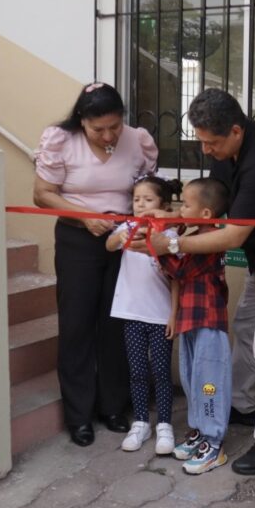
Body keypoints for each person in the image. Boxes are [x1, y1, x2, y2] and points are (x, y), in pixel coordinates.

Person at [145, 89, 255, 476]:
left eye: (211, 143)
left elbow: (231, 236)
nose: (206, 151)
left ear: (235, 130)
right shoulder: (224, 153)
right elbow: (210, 211)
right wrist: (168, 220)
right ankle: (244, 406)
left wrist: (173, 243)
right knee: (246, 329)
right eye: (201, 141)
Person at [33, 82, 159, 447]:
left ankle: (113, 406)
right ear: (81, 121)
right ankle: (79, 415)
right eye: (97, 129)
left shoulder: (138, 140)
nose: (107, 135)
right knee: (77, 324)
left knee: (117, 323)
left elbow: (147, 190)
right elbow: (42, 194)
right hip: (77, 240)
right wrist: (85, 216)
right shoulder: (61, 140)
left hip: (123, 241)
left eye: (114, 126)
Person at [157, 178, 233, 475]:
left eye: (186, 205)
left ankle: (214, 443)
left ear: (205, 213)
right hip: (191, 320)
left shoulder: (210, 240)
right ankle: (201, 430)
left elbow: (180, 270)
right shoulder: (193, 235)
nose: (181, 210)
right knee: (191, 378)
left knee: (209, 381)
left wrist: (159, 247)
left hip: (208, 322)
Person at [106, 174, 182, 454]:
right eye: (137, 199)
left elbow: (176, 280)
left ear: (163, 205)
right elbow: (109, 245)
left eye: (148, 199)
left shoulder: (169, 236)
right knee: (137, 372)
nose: (140, 204)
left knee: (161, 372)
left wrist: (174, 315)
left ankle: (164, 424)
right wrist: (121, 236)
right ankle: (141, 423)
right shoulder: (127, 227)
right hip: (132, 314)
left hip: (160, 316)